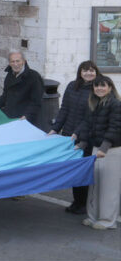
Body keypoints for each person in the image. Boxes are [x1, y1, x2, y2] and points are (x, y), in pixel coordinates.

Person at [49, 61, 101, 215]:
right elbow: (64, 109)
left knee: (83, 170)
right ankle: (77, 201)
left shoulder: (97, 89)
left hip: (87, 137)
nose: (88, 73)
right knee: (74, 170)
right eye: (85, 70)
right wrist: (55, 128)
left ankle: (83, 203)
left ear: (96, 72)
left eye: (91, 70)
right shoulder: (72, 86)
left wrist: (78, 132)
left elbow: (90, 116)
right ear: (80, 72)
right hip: (69, 134)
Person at [74, 76, 121, 230]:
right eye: (96, 86)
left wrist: (104, 148)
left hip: (111, 150)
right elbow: (87, 125)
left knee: (109, 187)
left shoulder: (115, 104)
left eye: (103, 86)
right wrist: (82, 143)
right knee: (94, 185)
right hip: (96, 149)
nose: (99, 88)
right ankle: (93, 216)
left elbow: (115, 127)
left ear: (110, 87)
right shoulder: (93, 103)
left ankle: (107, 220)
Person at [0, 51, 43, 124]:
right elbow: (5, 96)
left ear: (23, 61)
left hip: (25, 119)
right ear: (9, 63)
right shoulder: (9, 75)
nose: (15, 64)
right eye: (12, 61)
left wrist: (27, 116)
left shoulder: (34, 76)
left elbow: (36, 101)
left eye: (18, 61)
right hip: (9, 117)